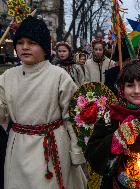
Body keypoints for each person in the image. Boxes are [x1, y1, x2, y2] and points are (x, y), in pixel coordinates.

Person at [2, 16, 86, 189]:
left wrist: (77, 151)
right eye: (21, 42)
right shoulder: (7, 77)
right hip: (18, 148)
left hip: (51, 146)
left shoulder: (58, 76)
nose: (25, 47)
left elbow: (73, 117)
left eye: (32, 42)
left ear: (44, 47)